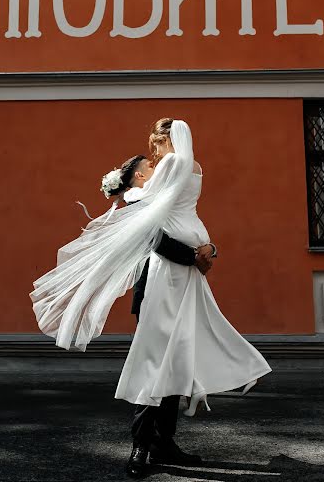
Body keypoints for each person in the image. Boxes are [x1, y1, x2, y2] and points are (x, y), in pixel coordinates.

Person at [29, 118, 271, 479]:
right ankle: (144, 443)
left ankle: (159, 444)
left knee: (168, 359)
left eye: (155, 146)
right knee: (159, 358)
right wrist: (202, 251)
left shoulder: (174, 164)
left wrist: (125, 191)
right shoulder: (193, 168)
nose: (154, 156)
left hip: (172, 276)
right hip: (176, 274)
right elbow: (171, 223)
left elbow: (151, 209)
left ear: (167, 141)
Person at [105, 154, 217, 475]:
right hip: (155, 295)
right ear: (140, 176)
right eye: (151, 167)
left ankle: (165, 444)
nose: (159, 167)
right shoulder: (139, 202)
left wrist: (210, 248)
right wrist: (194, 257)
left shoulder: (163, 198)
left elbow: (187, 227)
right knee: (152, 368)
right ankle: (140, 446)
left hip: (179, 293)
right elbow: (157, 240)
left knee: (174, 369)